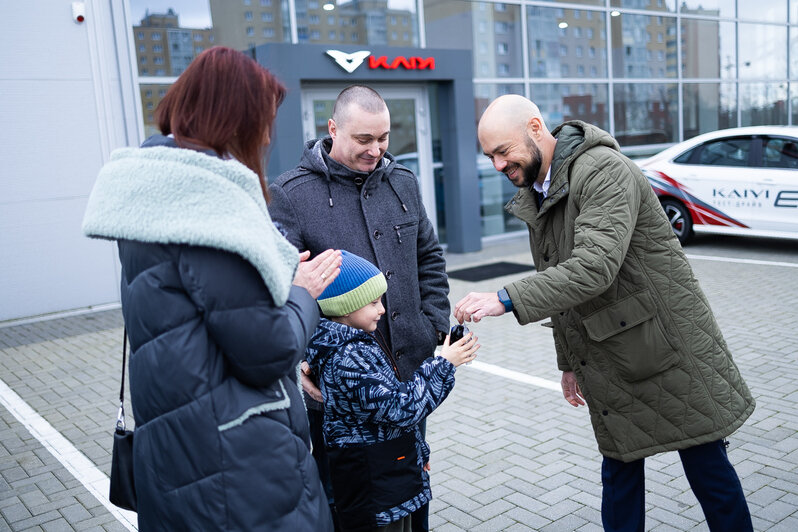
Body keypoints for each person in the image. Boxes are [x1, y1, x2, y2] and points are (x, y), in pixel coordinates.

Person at [454, 94, 755, 532]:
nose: (498, 165)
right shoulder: (540, 191)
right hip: (609, 352)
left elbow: (593, 268)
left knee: (706, 464)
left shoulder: (604, 171)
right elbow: (562, 286)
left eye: (504, 151)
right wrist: (568, 363)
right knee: (619, 470)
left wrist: (504, 297)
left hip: (666, 348)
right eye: (490, 156)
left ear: (536, 129)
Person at [82, 46, 339, 530]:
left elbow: (205, 310)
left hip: (182, 445)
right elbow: (267, 352)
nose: (265, 136)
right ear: (234, 118)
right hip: (235, 464)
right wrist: (303, 291)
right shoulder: (206, 204)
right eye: (261, 120)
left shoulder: (155, 189)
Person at [269, 85, 450, 530]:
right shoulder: (290, 194)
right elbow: (283, 288)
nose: (376, 150)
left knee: (411, 496)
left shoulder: (403, 181)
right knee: (352, 512)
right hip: (340, 401)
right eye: (363, 140)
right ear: (332, 129)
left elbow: (429, 257)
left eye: (383, 138)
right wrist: (308, 359)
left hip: (406, 380)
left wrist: (433, 326)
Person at [305, 250, 479, 532]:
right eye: (373, 302)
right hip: (374, 485)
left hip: (384, 473)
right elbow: (403, 409)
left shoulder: (354, 344)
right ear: (346, 306)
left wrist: (417, 454)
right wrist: (445, 364)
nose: (382, 309)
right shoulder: (349, 358)